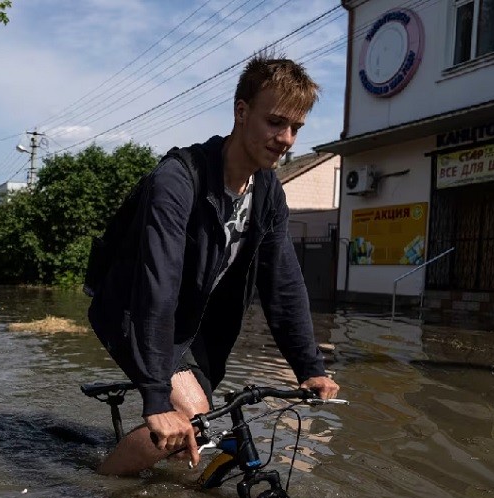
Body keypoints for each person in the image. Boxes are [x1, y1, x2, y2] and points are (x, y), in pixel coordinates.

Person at [88, 54, 340, 476]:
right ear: (241, 112)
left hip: (194, 323)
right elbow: (157, 283)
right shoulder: (177, 179)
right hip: (133, 308)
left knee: (196, 426)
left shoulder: (268, 192)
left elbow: (283, 284)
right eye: (276, 122)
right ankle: (96, 488)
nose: (287, 139)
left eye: (296, 128)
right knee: (191, 412)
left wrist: (309, 367)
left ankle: (151, 490)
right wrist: (154, 395)